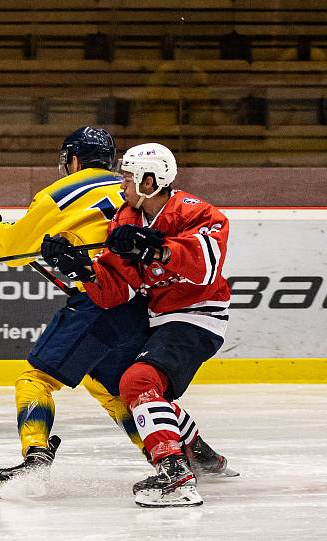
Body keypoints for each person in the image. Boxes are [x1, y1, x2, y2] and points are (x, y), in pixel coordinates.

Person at [0, 128, 229, 497]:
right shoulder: (127, 205)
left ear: (74, 160)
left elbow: (12, 249)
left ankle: (35, 457)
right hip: (137, 305)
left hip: (106, 305)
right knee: (117, 387)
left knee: (36, 378)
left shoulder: (65, 192)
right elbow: (117, 273)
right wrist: (78, 267)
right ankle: (188, 452)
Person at [41, 142, 237, 507]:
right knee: (130, 386)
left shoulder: (196, 212)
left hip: (198, 315)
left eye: (128, 178)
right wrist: (78, 268)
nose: (122, 185)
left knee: (138, 382)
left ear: (150, 181)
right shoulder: (126, 220)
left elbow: (205, 266)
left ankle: (175, 476)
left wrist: (155, 248)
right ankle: (200, 454)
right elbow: (114, 292)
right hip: (158, 317)